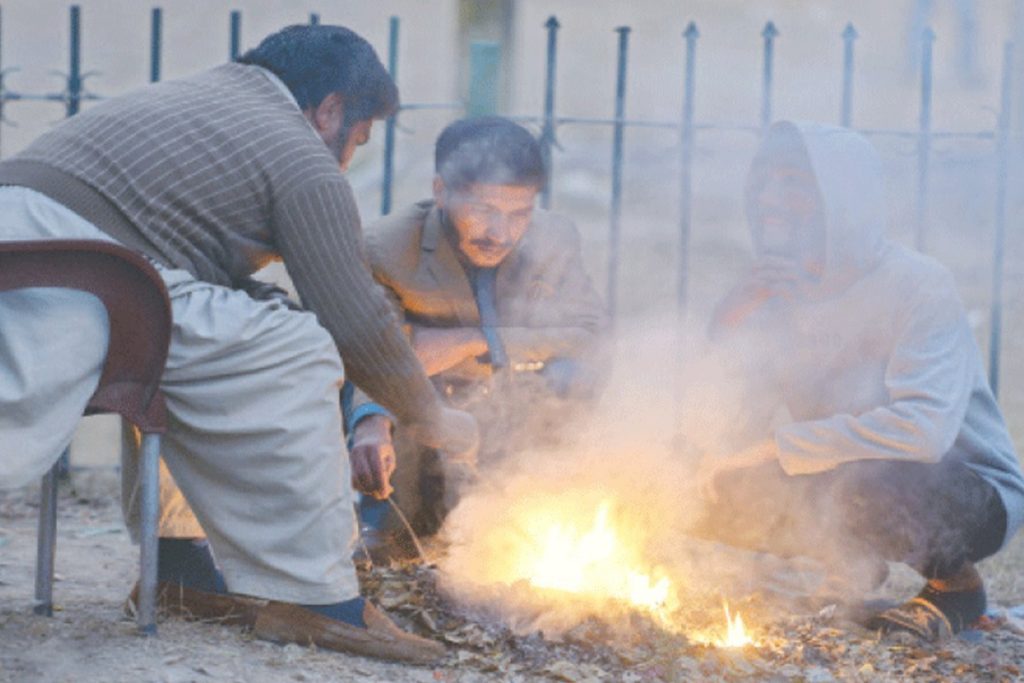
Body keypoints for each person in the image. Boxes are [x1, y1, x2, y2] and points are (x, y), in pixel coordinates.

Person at [0, 24, 477, 663]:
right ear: (331, 109)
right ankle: (313, 595)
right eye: (358, 139)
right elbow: (356, 322)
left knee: (226, 340)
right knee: (297, 348)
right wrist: (431, 415)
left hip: (28, 243)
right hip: (81, 275)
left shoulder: (202, 98)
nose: (350, 157)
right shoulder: (301, 157)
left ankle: (182, 568)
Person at [697, 121, 1024, 641]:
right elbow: (730, 423)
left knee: (876, 476)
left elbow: (923, 433)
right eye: (763, 181)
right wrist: (729, 322)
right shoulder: (773, 288)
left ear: (843, 198)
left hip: (958, 490)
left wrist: (776, 446)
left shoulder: (919, 284)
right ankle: (849, 562)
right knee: (695, 482)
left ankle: (955, 587)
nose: (770, 198)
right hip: (844, 479)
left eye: (794, 182)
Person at [345, 116, 608, 560]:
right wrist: (371, 422)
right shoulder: (385, 249)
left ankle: (545, 503)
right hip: (428, 410)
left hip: (517, 405)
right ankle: (389, 521)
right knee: (395, 549)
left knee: (574, 375)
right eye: (484, 210)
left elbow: (590, 334)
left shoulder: (555, 238)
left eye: (518, 213)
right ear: (441, 191)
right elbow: (372, 353)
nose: (501, 232)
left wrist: (476, 340)